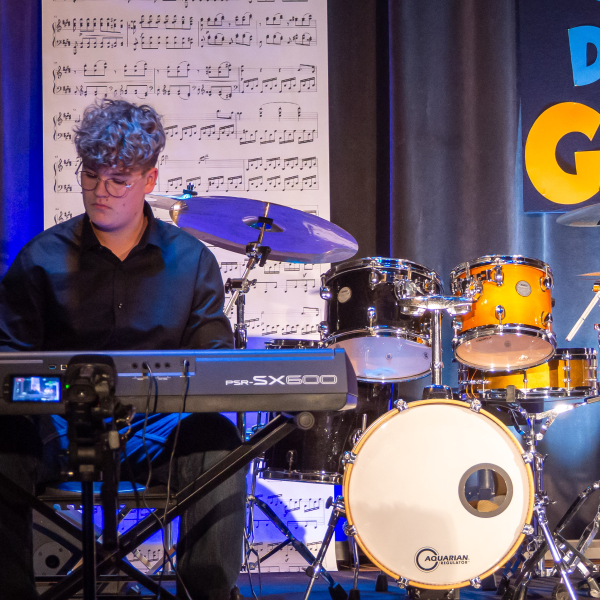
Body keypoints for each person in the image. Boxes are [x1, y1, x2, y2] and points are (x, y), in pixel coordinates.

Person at [0, 99, 246, 600]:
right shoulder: (40, 259)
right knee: (2, 437)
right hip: (61, 431)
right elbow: (9, 367)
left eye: (118, 180)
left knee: (219, 441)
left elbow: (212, 364)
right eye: (91, 176)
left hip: (157, 433)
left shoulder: (192, 261)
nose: (100, 191)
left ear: (149, 180)